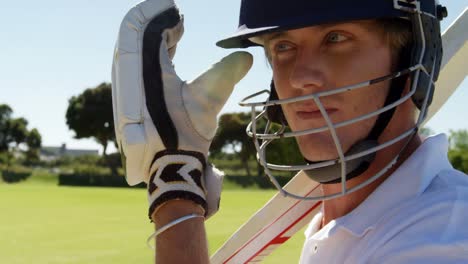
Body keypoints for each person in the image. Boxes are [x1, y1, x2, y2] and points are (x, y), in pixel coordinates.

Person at [112, 0, 468, 263]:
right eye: (283, 46)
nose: (299, 77)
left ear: (414, 55)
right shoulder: (339, 227)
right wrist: (178, 171)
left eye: (335, 38)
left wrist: (175, 192)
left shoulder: (445, 235)